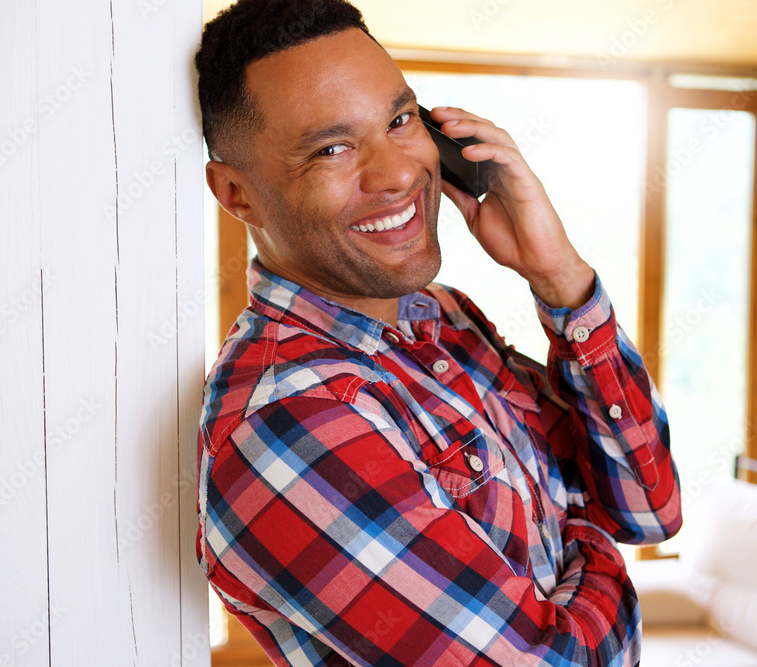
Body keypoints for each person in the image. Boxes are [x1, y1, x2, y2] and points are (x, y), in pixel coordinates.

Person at [194, 1, 681, 665]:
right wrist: (590, 532)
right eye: (331, 149)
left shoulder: (444, 319)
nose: (397, 174)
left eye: (400, 120)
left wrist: (560, 277)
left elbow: (650, 509)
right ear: (236, 193)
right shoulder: (288, 421)